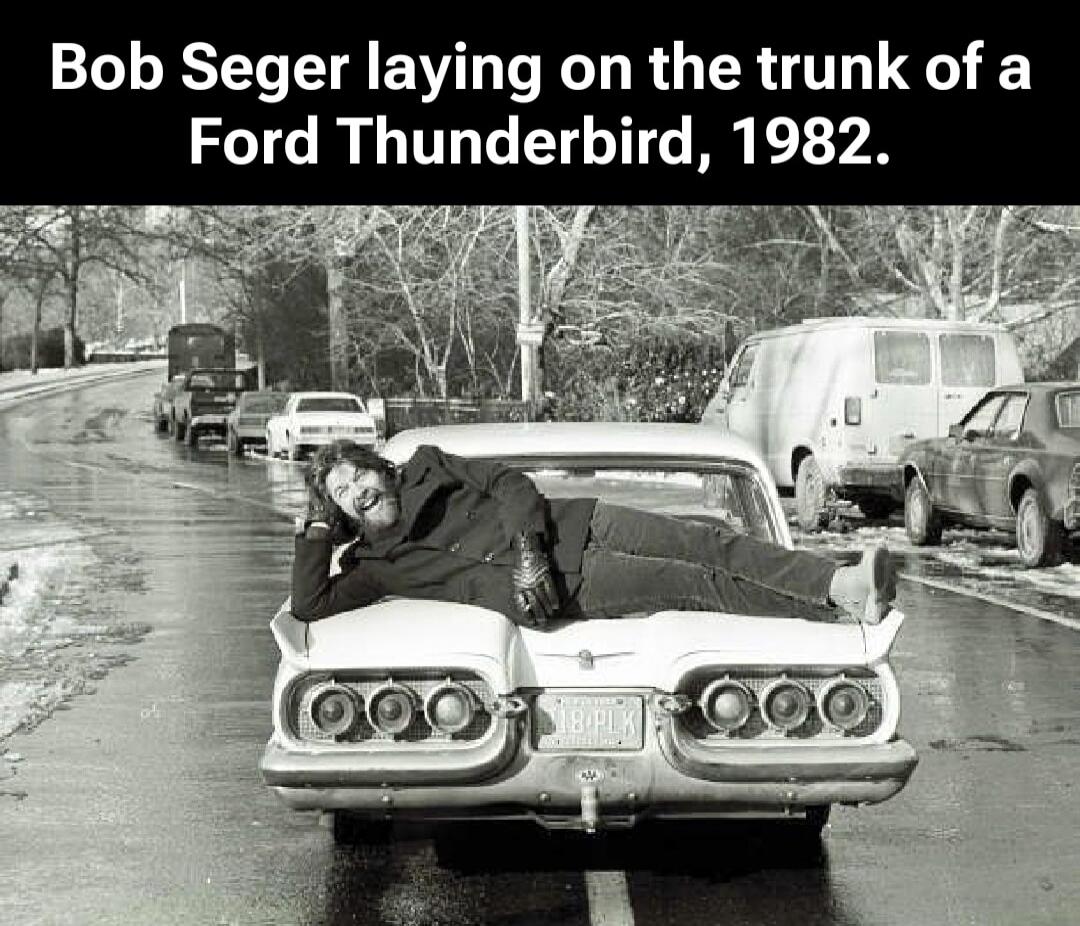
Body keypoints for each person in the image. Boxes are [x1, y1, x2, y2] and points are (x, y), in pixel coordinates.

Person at [291, 440, 897, 628]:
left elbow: (511, 485)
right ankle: (834, 611)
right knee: (696, 583)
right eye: (342, 495)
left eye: (356, 477)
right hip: (567, 586)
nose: (357, 492)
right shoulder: (371, 566)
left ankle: (840, 582)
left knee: (708, 543)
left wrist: (529, 550)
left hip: (572, 523)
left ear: (377, 468)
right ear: (343, 514)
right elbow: (309, 605)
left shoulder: (428, 464)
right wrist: (316, 529)